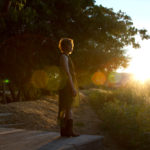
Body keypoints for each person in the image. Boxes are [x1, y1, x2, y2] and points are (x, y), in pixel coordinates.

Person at [57, 38, 80, 137]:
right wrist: (72, 88)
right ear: (66, 46)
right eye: (70, 45)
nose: (72, 47)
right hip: (66, 86)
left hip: (67, 85)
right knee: (68, 108)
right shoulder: (64, 57)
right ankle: (68, 131)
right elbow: (67, 73)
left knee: (67, 108)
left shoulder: (66, 57)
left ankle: (65, 131)